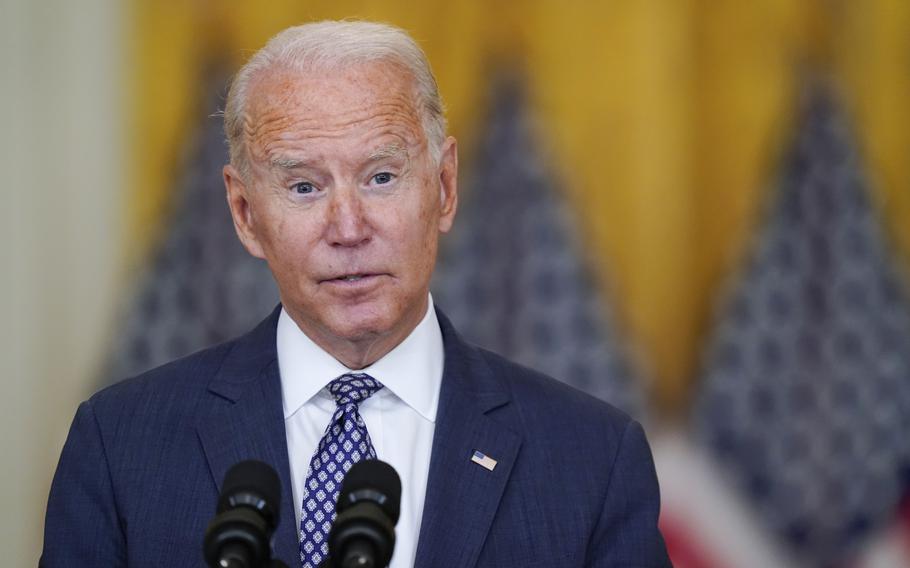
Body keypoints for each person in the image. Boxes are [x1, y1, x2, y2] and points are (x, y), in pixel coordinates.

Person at [42, 20, 670, 567]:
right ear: (243, 212)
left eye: (381, 176)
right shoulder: (120, 443)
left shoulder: (591, 457)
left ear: (445, 187)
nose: (348, 228)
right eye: (305, 187)